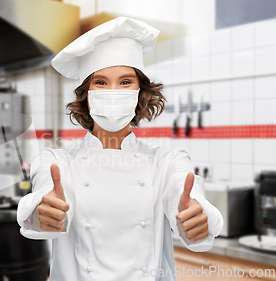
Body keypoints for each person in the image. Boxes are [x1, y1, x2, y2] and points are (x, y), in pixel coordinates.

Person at [16, 17, 223, 281]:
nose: (113, 92)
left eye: (125, 82)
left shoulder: (167, 161)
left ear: (140, 92)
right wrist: (42, 214)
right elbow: (45, 195)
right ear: (86, 95)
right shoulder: (56, 160)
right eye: (100, 82)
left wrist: (196, 221)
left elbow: (185, 197)